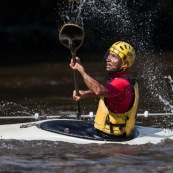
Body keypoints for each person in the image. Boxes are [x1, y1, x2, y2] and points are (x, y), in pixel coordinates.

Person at [69, 41, 139, 137]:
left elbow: (99, 91)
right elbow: (109, 93)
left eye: (114, 56)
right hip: (109, 133)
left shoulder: (122, 83)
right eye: (109, 55)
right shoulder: (121, 79)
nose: (108, 59)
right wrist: (85, 93)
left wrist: (82, 70)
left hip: (110, 136)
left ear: (125, 64)